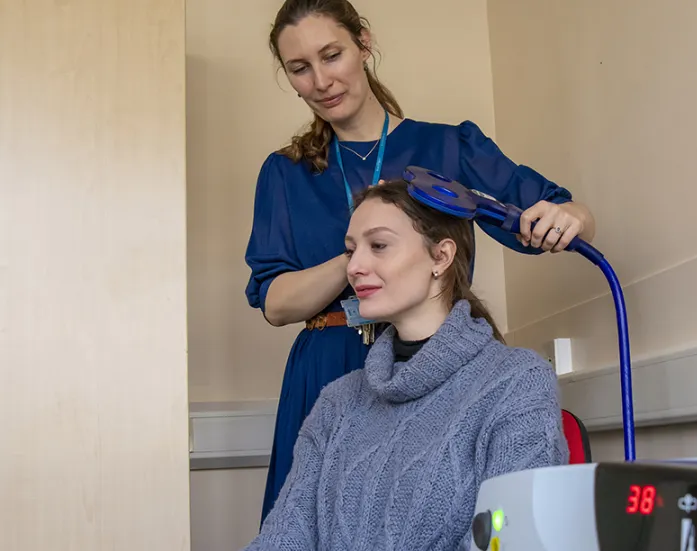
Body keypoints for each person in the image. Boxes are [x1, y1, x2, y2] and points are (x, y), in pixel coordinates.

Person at [244, 0, 596, 523]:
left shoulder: (449, 147)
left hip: (433, 363)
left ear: (364, 44)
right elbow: (274, 303)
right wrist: (366, 252)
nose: (321, 81)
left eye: (332, 55)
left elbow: (561, 214)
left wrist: (573, 216)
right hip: (325, 366)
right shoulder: (286, 172)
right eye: (300, 68)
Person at [243, 180, 569, 551]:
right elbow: (283, 537)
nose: (355, 267)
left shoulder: (516, 384)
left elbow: (511, 541)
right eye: (351, 250)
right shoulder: (337, 402)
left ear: (441, 257)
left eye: (378, 246)